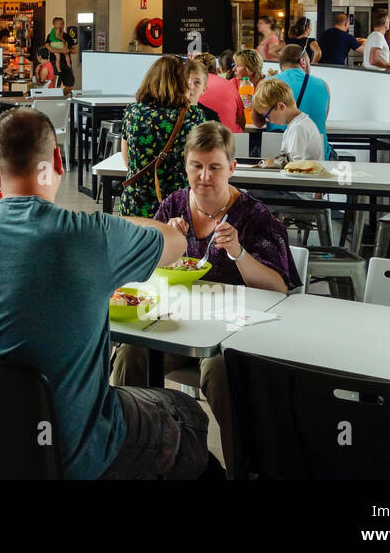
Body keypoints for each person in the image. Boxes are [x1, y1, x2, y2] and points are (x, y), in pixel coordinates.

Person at [0, 107, 210, 479]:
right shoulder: (92, 235)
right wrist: (114, 225)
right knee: (186, 413)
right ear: (58, 159)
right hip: (73, 455)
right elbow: (176, 240)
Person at [112, 121, 299, 471]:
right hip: (177, 327)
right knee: (129, 356)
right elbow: (142, 271)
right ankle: (132, 460)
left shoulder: (255, 217)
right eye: (196, 166)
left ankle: (240, 468)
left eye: (214, 167)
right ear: (185, 166)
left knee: (220, 372)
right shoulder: (173, 206)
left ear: (232, 167)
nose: (204, 176)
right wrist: (167, 241)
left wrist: (239, 252)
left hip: (231, 333)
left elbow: (279, 288)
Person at [119, 57, 208, 218]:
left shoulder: (133, 111)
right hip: (177, 205)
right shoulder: (193, 116)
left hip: (135, 202)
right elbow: (202, 163)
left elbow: (126, 158)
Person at [260, 44, 332, 159]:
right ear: (303, 62)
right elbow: (323, 118)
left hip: (274, 151)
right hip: (318, 156)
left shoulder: (265, 84)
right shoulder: (323, 85)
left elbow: (258, 122)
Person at [251, 79, 324, 162]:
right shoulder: (294, 125)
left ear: (281, 106)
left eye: (267, 115)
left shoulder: (299, 127)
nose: (267, 120)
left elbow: (294, 165)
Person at [194, 52, 245, 133]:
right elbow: (242, 121)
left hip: (201, 140)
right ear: (217, 69)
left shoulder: (191, 88)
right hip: (233, 139)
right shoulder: (230, 85)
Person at [185, 58, 221, 125]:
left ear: (204, 89)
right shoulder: (167, 114)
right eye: (186, 81)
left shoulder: (212, 118)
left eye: (197, 82)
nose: (191, 87)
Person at [46, 17, 76, 93]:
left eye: (62, 24)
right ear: (54, 25)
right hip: (54, 65)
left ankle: (63, 98)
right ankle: (55, 100)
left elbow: (74, 50)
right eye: (60, 24)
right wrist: (61, 51)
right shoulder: (50, 36)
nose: (61, 25)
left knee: (69, 85)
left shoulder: (67, 36)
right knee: (55, 86)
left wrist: (68, 51)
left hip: (66, 64)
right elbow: (49, 48)